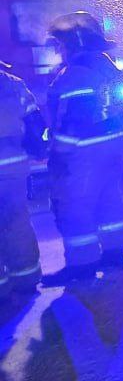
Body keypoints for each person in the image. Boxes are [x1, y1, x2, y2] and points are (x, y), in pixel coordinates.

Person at [39, 12, 123, 287]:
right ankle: (115, 254)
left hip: (84, 151)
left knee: (73, 206)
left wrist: (57, 153)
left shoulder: (74, 75)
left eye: (61, 44)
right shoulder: (105, 64)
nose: (59, 50)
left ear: (75, 42)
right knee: (108, 198)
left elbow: (74, 122)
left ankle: (82, 266)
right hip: (114, 144)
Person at [0, 64, 46, 297]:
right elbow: (34, 123)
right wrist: (38, 150)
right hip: (13, 165)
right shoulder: (13, 83)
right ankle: (27, 276)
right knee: (17, 220)